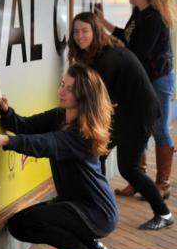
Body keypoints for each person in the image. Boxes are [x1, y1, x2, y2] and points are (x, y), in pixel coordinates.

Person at [0, 64, 117, 249]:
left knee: (34, 222)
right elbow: (27, 126)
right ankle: (90, 248)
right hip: (75, 204)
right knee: (19, 225)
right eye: (62, 85)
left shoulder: (81, 134)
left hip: (96, 212)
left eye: (70, 88)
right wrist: (7, 113)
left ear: (84, 95)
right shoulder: (60, 116)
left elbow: (46, 143)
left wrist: (7, 141)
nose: (62, 91)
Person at [69, 12, 173, 230]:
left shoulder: (106, 58)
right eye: (76, 31)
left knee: (128, 167)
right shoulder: (99, 53)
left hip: (139, 113)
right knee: (97, 153)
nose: (80, 36)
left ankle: (163, 214)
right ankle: (93, 203)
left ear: (95, 31)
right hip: (127, 111)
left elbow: (95, 99)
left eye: (85, 31)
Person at [95, 0, 176, 200]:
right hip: (145, 79)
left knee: (159, 129)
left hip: (159, 80)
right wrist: (103, 22)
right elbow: (127, 37)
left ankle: (163, 184)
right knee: (138, 127)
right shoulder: (138, 13)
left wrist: (113, 56)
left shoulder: (154, 19)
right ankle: (137, 180)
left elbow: (138, 53)